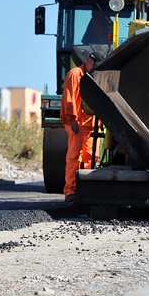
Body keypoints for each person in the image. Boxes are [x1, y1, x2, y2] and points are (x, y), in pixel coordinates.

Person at [61, 51, 100, 203]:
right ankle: (71, 190)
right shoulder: (75, 74)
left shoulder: (95, 75)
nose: (95, 68)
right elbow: (70, 98)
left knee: (91, 157)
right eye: (94, 64)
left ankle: (86, 190)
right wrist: (73, 120)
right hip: (77, 123)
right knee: (74, 157)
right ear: (88, 60)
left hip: (90, 124)